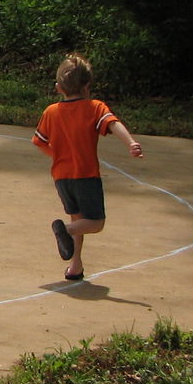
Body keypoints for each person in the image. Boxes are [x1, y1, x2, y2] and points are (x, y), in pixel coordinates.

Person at [31, 53, 144, 281]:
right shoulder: (94, 107)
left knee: (78, 219)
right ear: (87, 86)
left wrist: (58, 155)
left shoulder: (51, 112)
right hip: (86, 175)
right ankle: (65, 230)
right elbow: (113, 124)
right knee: (95, 223)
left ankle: (75, 266)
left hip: (62, 176)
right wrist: (131, 142)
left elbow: (39, 141)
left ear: (58, 88)